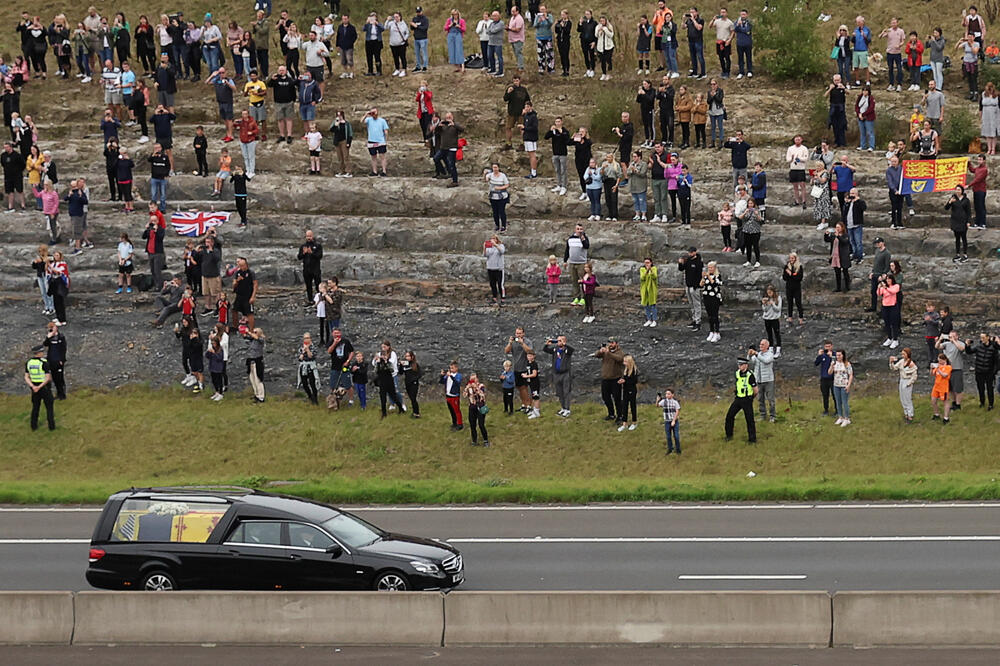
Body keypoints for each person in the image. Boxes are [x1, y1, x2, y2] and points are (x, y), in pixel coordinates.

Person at [724, 357, 757, 443]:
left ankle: (752, 439)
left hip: (747, 399)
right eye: (739, 364)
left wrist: (751, 398)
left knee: (749, 420)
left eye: (741, 365)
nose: (739, 366)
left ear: (746, 365)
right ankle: (729, 435)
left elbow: (756, 390)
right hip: (738, 398)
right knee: (729, 416)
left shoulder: (750, 375)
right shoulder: (737, 373)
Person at [25, 346, 55, 431]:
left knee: (35, 407)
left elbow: (26, 377)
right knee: (49, 407)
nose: (43, 353)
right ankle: (51, 426)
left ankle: (33, 426)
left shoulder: (29, 362)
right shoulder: (44, 363)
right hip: (44, 387)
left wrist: (33, 386)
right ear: (39, 353)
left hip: (34, 388)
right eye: (42, 352)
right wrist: (39, 387)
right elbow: (48, 377)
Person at [542, 335, 574, 417]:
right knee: (559, 392)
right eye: (558, 340)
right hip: (556, 373)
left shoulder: (567, 349)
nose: (558, 342)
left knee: (566, 391)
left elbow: (572, 350)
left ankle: (567, 409)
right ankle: (563, 408)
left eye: (560, 340)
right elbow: (545, 350)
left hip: (565, 373)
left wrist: (565, 344)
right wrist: (547, 344)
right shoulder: (555, 349)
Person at [966, 332, 999, 409]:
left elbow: (997, 362)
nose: (982, 339)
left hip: (989, 372)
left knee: (990, 389)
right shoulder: (978, 346)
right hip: (979, 372)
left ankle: (991, 404)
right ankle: (982, 402)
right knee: (980, 388)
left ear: (988, 337)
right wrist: (967, 346)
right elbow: (969, 352)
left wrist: (994, 372)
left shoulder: (994, 348)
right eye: (981, 338)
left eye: (983, 337)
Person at [505, 327, 534, 413]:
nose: (518, 335)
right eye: (517, 333)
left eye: (520, 333)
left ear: (523, 334)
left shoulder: (527, 341)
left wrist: (522, 343)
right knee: (519, 387)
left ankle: (528, 405)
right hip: (516, 368)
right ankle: (523, 404)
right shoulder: (513, 342)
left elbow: (530, 351)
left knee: (524, 388)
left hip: (525, 368)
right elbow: (506, 351)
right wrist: (510, 343)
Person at [596, 338, 625, 424]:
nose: (610, 344)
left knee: (617, 398)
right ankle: (611, 414)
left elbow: (620, 359)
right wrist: (601, 351)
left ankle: (620, 415)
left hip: (616, 379)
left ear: (616, 343)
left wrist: (609, 353)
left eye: (612, 343)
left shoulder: (620, 352)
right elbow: (596, 355)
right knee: (606, 397)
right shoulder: (606, 351)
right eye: (609, 343)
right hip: (605, 379)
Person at [937, 330, 967, 411]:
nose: (951, 338)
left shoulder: (960, 343)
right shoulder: (947, 344)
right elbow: (937, 346)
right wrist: (940, 339)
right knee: (950, 388)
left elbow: (962, 348)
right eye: (950, 336)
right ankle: (954, 402)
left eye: (953, 336)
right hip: (947, 369)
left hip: (957, 369)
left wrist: (954, 340)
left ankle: (958, 404)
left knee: (958, 388)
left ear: (957, 336)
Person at [749, 340, 776, 422]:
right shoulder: (758, 354)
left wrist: (756, 354)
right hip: (759, 380)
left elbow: (766, 361)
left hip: (768, 380)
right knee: (760, 399)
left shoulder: (770, 354)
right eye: (760, 344)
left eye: (763, 344)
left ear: (767, 346)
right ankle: (763, 415)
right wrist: (749, 355)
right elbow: (751, 362)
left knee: (770, 399)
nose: (761, 346)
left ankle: (772, 416)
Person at [889, 348, 918, 423]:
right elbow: (894, 368)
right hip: (902, 380)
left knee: (907, 398)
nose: (902, 355)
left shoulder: (911, 364)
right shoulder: (901, 362)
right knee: (902, 397)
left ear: (908, 354)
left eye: (904, 354)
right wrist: (891, 362)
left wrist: (909, 383)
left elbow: (914, 375)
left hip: (907, 381)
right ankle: (906, 413)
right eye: (902, 354)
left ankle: (910, 415)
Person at [563, 224, 590, 306]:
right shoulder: (570, 239)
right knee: (574, 281)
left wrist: (583, 239)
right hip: (572, 262)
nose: (579, 230)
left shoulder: (584, 238)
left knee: (583, 281)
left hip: (581, 263)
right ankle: (576, 297)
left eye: (581, 229)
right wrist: (565, 260)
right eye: (578, 229)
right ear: (575, 230)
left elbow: (587, 246)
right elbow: (567, 250)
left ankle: (583, 298)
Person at [544, 116, 570, 195]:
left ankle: (564, 186)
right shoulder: (554, 131)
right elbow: (546, 137)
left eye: (559, 122)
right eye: (556, 122)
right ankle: (559, 184)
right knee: (557, 170)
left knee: (563, 171)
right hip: (555, 153)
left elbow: (567, 140)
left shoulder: (565, 131)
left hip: (563, 154)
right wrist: (550, 131)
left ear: (561, 122)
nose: (557, 123)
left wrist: (561, 131)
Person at [41, 321, 67, 400]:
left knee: (60, 378)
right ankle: (58, 394)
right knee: (54, 378)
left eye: (53, 328)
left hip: (58, 361)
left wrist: (62, 360)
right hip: (51, 360)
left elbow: (63, 349)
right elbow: (45, 344)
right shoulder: (50, 337)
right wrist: (48, 337)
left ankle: (62, 394)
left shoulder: (61, 337)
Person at [945, 185, 971, 263]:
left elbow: (969, 212)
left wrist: (968, 221)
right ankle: (957, 254)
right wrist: (949, 202)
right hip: (955, 221)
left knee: (964, 238)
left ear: (962, 191)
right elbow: (946, 208)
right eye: (956, 190)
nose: (957, 191)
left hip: (963, 221)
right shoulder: (953, 199)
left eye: (959, 190)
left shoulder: (966, 200)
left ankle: (965, 254)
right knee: (957, 238)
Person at [232, 256, 258, 332]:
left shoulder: (251, 273)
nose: (241, 267)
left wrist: (253, 296)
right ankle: (235, 327)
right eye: (240, 266)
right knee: (234, 310)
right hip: (239, 295)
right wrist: (237, 280)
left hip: (248, 295)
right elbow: (233, 285)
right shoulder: (237, 273)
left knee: (249, 313)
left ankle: (251, 330)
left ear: (246, 265)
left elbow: (255, 284)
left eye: (242, 265)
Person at [361, 107, 390, 177]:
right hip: (371, 141)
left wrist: (385, 140)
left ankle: (384, 171)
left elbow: (386, 131)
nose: (373, 114)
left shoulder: (382, 121)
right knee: (373, 157)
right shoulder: (369, 120)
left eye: (374, 112)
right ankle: (374, 171)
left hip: (380, 141)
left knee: (382, 156)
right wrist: (366, 114)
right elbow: (361, 121)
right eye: (372, 112)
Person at [141, 213, 165, 291]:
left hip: (158, 253)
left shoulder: (161, 229)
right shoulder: (149, 229)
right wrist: (146, 229)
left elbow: (160, 238)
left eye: (154, 220)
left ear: (157, 221)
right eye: (151, 221)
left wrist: (156, 230)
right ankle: (156, 285)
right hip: (150, 252)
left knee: (157, 270)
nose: (153, 222)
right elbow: (143, 237)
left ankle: (160, 286)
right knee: (152, 270)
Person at [701, 260, 723, 342]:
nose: (709, 269)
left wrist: (709, 277)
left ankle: (717, 332)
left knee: (715, 315)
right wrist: (703, 278)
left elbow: (715, 284)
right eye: (708, 267)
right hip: (707, 296)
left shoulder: (717, 276)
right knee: (709, 315)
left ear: (714, 268)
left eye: (711, 267)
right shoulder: (706, 276)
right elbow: (701, 285)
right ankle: (711, 331)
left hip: (714, 297)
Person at [877, 273, 902, 348]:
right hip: (885, 306)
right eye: (887, 279)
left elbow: (892, 292)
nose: (888, 280)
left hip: (893, 306)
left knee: (894, 323)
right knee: (887, 323)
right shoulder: (884, 287)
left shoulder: (896, 286)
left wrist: (886, 288)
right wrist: (879, 288)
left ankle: (895, 339)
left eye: (889, 279)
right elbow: (879, 293)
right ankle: (889, 337)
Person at [298, 230, 323, 302]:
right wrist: (303, 253)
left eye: (310, 236)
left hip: (315, 270)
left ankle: (320, 300)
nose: (308, 238)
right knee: (308, 286)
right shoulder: (303, 246)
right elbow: (299, 257)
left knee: (318, 286)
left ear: (313, 236)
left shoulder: (318, 246)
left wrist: (311, 253)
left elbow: (320, 256)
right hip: (306, 270)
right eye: (307, 236)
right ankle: (310, 300)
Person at [464, 373, 489, 447]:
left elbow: (482, 395)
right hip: (472, 407)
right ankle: (474, 440)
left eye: (474, 379)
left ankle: (486, 440)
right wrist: (467, 389)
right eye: (471, 380)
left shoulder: (481, 386)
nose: (472, 381)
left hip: (480, 407)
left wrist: (476, 388)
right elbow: (464, 395)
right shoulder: (469, 387)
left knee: (481, 424)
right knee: (472, 425)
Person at [786, 135, 809, 208]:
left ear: (801, 140)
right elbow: (788, 159)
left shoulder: (804, 148)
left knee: (802, 185)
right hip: (793, 168)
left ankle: (804, 201)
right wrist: (792, 158)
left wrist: (799, 158)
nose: (797, 141)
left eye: (799, 139)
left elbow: (805, 158)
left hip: (801, 169)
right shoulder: (790, 148)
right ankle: (796, 201)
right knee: (795, 186)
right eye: (796, 139)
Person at [832, 349, 854, 427]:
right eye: (837, 355)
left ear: (843, 355)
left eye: (839, 355)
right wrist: (831, 366)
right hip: (836, 385)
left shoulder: (847, 364)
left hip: (844, 385)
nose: (838, 357)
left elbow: (851, 375)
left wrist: (848, 385)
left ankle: (847, 418)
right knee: (838, 402)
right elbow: (830, 372)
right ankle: (840, 417)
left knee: (844, 402)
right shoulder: (835, 363)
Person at [439, 360, 463, 430]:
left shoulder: (458, 375)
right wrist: (442, 375)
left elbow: (457, 383)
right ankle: (454, 422)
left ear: (456, 368)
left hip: (455, 395)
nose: (451, 370)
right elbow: (441, 382)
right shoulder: (448, 375)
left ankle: (460, 424)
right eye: (450, 368)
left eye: (452, 368)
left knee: (457, 410)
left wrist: (451, 376)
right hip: (448, 395)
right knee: (451, 410)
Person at [245, 327, 266, 403]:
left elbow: (257, 338)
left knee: (258, 380)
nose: (254, 333)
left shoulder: (261, 340)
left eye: (255, 332)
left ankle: (261, 397)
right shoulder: (252, 340)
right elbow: (247, 338)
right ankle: (256, 394)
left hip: (258, 362)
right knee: (252, 379)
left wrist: (249, 332)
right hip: (251, 361)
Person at [931, 352, 953, 423]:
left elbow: (945, 375)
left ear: (944, 360)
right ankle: (936, 414)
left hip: (943, 387)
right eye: (938, 360)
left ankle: (946, 417)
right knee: (933, 400)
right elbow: (932, 374)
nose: (939, 362)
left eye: (940, 360)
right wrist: (932, 368)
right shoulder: (938, 366)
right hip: (936, 386)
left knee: (945, 401)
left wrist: (938, 369)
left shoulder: (948, 367)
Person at [484, 234, 505, 306]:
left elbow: (502, 251)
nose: (492, 240)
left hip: (498, 268)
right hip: (490, 268)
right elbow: (485, 255)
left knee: (500, 284)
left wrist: (495, 245)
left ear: (497, 239)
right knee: (492, 284)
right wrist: (484, 247)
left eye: (494, 238)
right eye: (491, 238)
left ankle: (502, 298)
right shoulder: (489, 247)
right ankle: (494, 297)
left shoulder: (500, 245)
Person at [761, 285, 782, 355]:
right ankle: (771, 348)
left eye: (770, 292)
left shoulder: (778, 298)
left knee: (777, 334)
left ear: (773, 292)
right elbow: (765, 310)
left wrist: (773, 304)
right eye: (768, 293)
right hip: (767, 319)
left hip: (775, 319)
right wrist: (764, 304)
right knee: (769, 334)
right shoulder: (766, 298)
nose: (769, 294)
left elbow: (778, 309)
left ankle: (778, 349)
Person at [399, 351, 422, 418]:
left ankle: (417, 413)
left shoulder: (415, 364)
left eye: (408, 356)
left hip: (414, 384)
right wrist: (401, 365)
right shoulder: (405, 364)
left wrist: (414, 379)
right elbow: (401, 373)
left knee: (413, 398)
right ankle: (414, 412)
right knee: (411, 399)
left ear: (412, 357)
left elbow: (420, 374)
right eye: (406, 356)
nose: (407, 357)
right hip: (407, 383)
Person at [968, 154, 988, 228]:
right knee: (976, 207)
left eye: (980, 159)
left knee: (981, 207)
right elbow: (972, 170)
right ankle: (977, 222)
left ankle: (983, 223)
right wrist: (968, 163)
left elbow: (978, 179)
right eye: (978, 159)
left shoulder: (984, 169)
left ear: (984, 161)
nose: (979, 161)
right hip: (975, 190)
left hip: (981, 190)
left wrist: (969, 185)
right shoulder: (978, 168)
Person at [980, 83, 1000, 154]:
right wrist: (981, 115)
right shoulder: (983, 95)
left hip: (995, 114)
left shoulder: (997, 95)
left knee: (994, 132)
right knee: (987, 132)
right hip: (986, 114)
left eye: (991, 87)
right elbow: (980, 106)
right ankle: (989, 148)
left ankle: (993, 149)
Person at [639, 257, 658, 327]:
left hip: (652, 289)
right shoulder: (642, 269)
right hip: (644, 289)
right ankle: (649, 319)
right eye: (645, 263)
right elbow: (642, 278)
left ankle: (654, 320)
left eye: (648, 262)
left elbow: (655, 277)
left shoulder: (654, 268)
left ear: (651, 263)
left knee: (653, 304)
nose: (647, 264)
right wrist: (647, 271)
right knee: (646, 305)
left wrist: (650, 270)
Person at [595, 15, 614, 80]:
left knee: (608, 60)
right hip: (601, 47)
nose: (602, 22)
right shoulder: (597, 26)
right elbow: (596, 35)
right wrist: (599, 31)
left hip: (608, 47)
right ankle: (604, 73)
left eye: (603, 21)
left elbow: (611, 35)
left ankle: (609, 74)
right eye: (601, 21)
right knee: (602, 61)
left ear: (605, 21)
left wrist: (605, 29)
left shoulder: (609, 26)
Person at [410, 7, 430, 72]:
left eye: (419, 11)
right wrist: (412, 25)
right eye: (417, 12)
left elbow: (425, 28)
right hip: (416, 38)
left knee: (424, 53)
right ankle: (418, 66)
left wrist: (417, 26)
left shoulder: (425, 19)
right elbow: (412, 28)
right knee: (417, 53)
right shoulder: (414, 19)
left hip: (423, 38)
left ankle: (425, 66)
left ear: (421, 11)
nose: (418, 13)